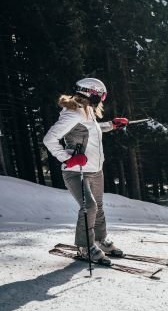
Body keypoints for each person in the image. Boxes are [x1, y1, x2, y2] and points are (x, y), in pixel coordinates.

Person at [43, 78, 128, 265]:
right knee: (89, 207)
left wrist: (112, 125)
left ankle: (101, 240)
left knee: (98, 206)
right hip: (77, 171)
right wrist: (68, 158)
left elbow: (92, 132)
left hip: (95, 169)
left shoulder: (87, 111)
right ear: (91, 93)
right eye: (100, 95)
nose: (102, 100)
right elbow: (49, 139)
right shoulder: (72, 114)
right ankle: (84, 247)